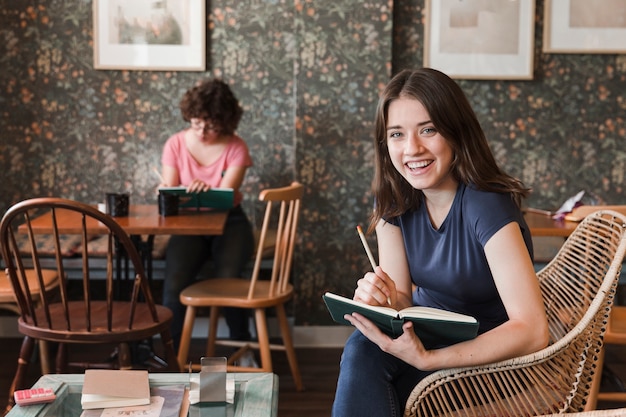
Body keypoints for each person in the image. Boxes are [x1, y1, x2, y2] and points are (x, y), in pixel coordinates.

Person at [331, 68, 549, 417]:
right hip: (426, 337)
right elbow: (400, 298)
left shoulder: (486, 205)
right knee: (363, 347)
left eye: (428, 130)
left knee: (372, 379)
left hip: (491, 357)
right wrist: (380, 300)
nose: (412, 149)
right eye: (397, 134)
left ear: (456, 132)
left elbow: (533, 330)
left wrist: (429, 358)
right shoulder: (392, 199)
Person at [160, 78, 255, 353]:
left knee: (229, 281)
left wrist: (205, 191)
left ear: (225, 123)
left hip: (230, 222)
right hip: (189, 225)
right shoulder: (175, 144)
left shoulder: (237, 146)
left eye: (211, 125)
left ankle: (241, 345)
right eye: (196, 123)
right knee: (174, 284)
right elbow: (169, 192)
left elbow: (226, 197)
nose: (202, 131)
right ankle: (171, 354)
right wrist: (173, 192)